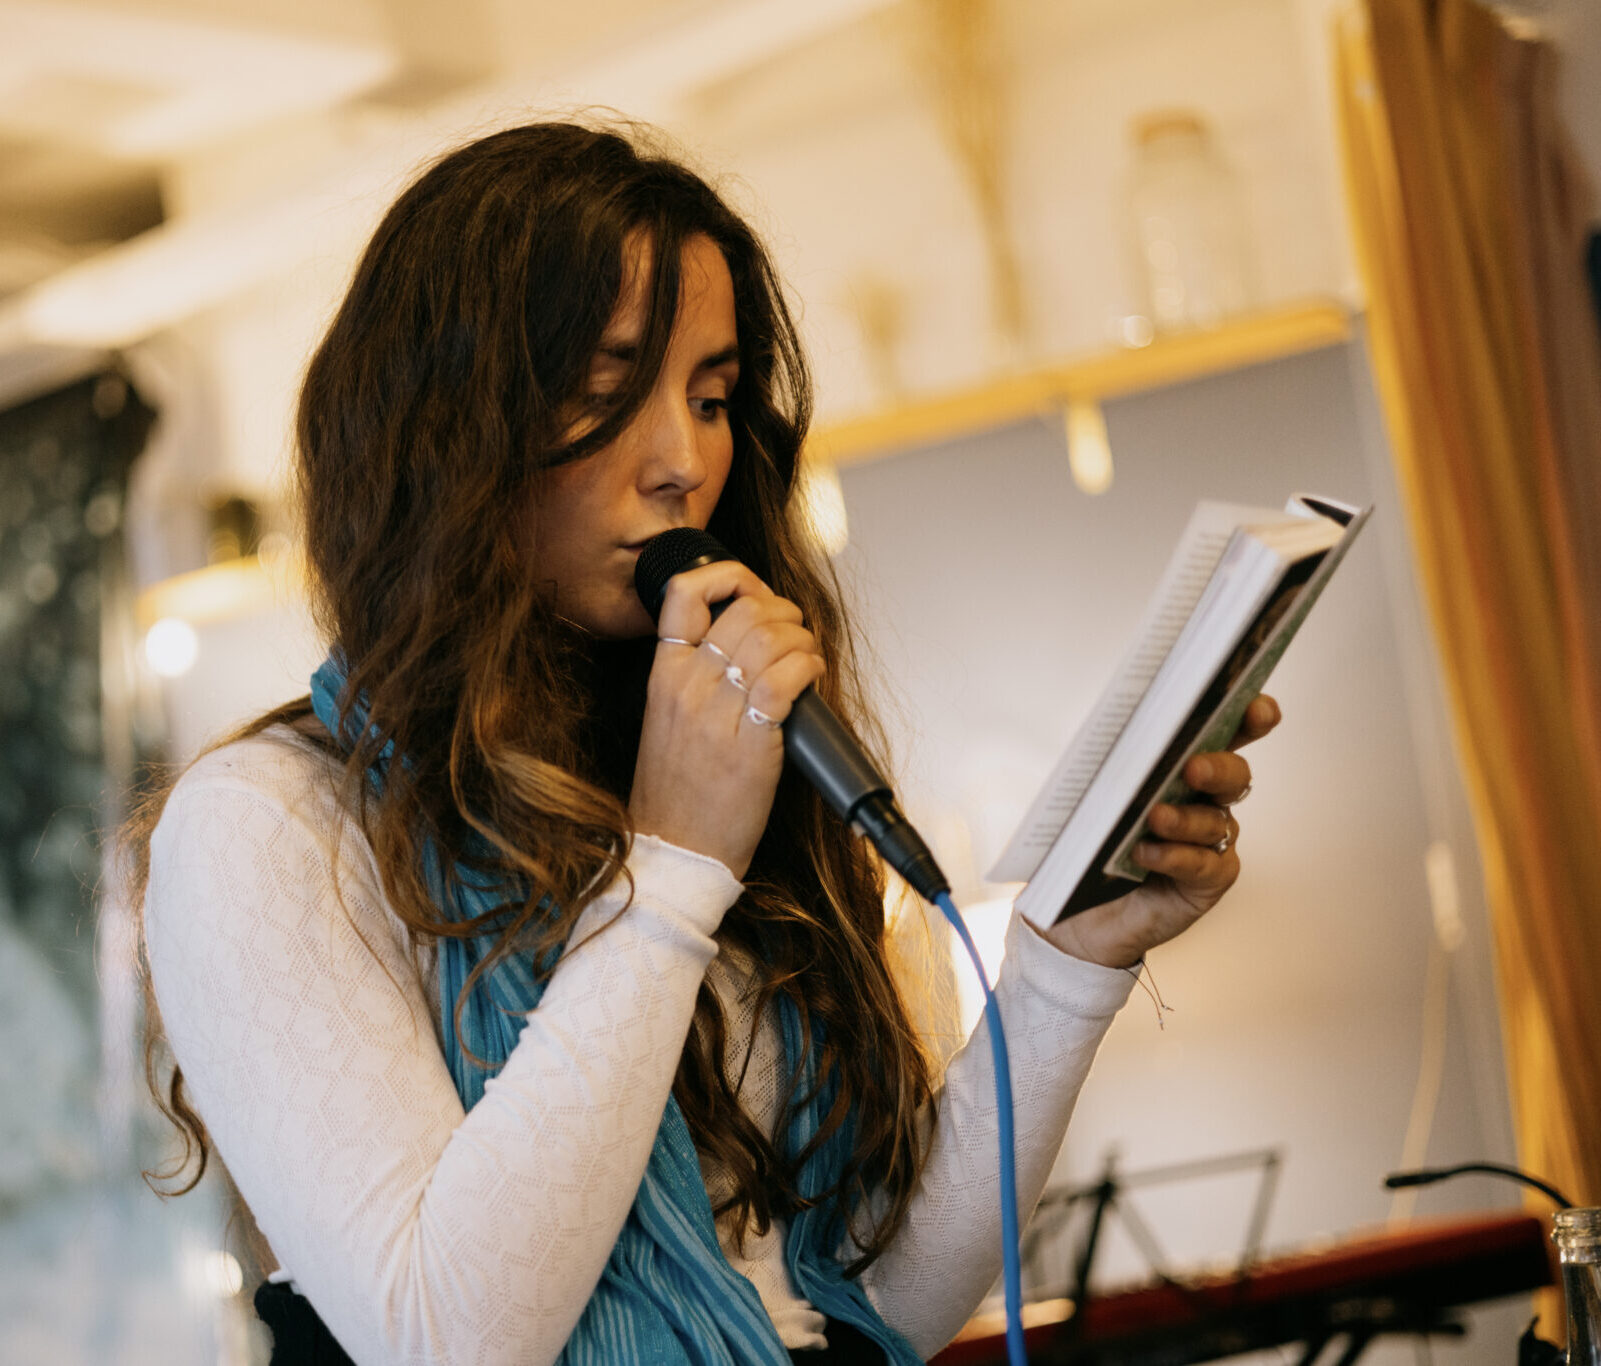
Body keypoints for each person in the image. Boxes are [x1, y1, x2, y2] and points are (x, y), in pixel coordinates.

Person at [130, 121, 1278, 1366]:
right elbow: (445, 1337)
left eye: (714, 398)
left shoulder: (711, 765)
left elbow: (870, 1300)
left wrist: (1066, 964)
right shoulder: (266, 828)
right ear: (449, 431)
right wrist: (671, 869)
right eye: (606, 393)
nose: (684, 462)